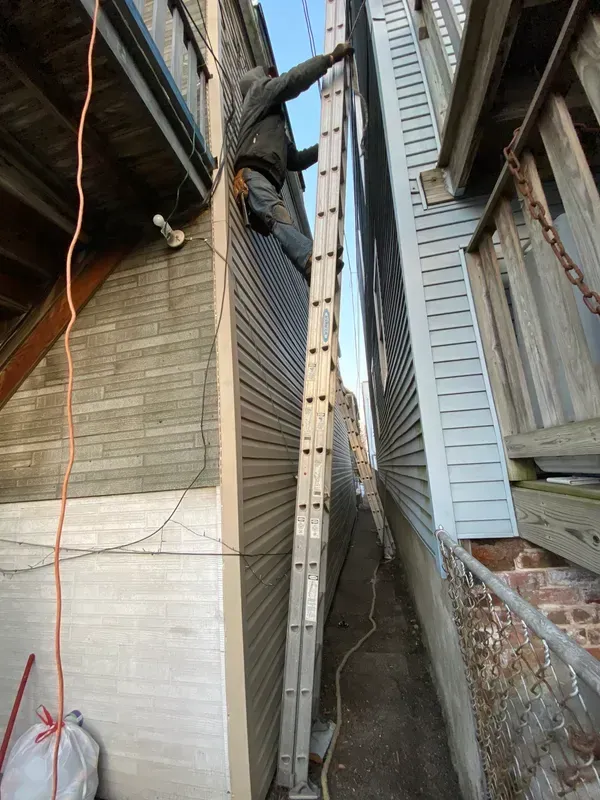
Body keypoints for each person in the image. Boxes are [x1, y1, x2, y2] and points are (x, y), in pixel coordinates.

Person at [233, 43, 354, 283]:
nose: (272, 80)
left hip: (264, 177)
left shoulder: (273, 125)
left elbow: (295, 160)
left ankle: (314, 258)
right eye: (269, 78)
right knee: (277, 217)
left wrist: (327, 146)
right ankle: (312, 259)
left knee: (278, 217)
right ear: (260, 80)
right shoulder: (258, 92)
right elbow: (291, 81)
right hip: (252, 174)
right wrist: (329, 59)